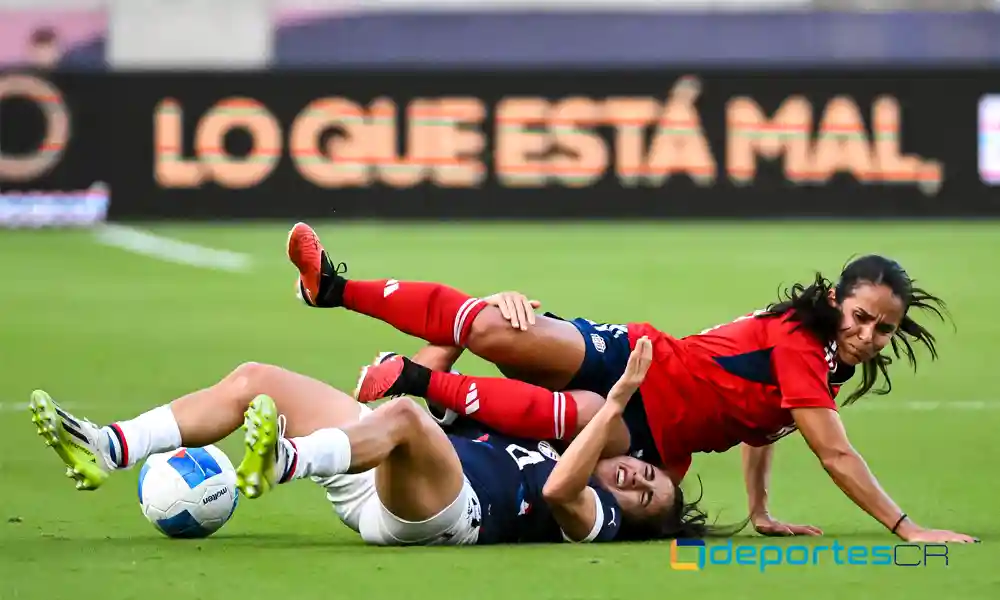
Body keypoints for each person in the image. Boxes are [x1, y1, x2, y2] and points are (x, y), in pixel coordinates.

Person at [286, 222, 978, 544]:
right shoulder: (803, 343)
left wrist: (760, 508)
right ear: (835, 300)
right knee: (496, 329)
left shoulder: (815, 360)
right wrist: (906, 527)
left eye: (883, 329)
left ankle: (413, 384)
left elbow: (769, 422)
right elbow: (833, 450)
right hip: (637, 360)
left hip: (648, 434)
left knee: (577, 417)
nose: (868, 335)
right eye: (861, 317)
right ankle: (334, 289)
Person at [27, 340, 716, 545]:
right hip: (377, 462)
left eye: (647, 496)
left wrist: (622, 395)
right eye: (646, 474)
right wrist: (455, 334)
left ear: (634, 515)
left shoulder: (592, 516)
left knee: (406, 421)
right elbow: (421, 395)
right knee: (256, 377)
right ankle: (108, 445)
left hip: (442, 513)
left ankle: (285, 461)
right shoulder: (546, 436)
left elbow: (566, 486)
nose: (636, 479)